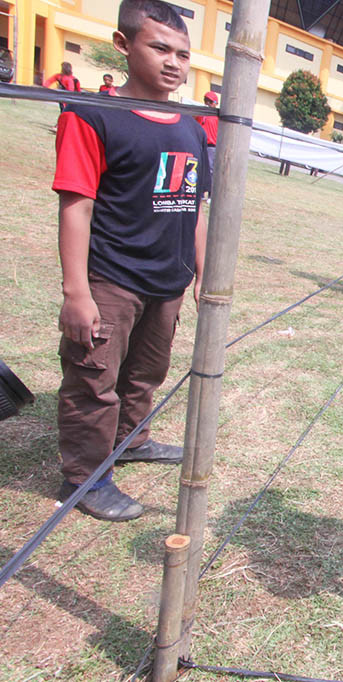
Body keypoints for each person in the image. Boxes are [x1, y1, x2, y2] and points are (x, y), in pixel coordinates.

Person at [52, 0, 209, 522]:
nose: (174, 63)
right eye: (159, 48)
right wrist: (78, 292)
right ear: (123, 46)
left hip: (168, 281)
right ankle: (86, 477)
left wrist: (203, 270)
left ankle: (133, 438)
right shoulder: (91, 116)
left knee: (146, 372)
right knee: (93, 376)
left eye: (183, 54)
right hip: (112, 279)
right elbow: (76, 204)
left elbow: (195, 206)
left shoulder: (191, 127)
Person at [195, 90, 219, 178]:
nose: (208, 103)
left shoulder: (217, 116)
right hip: (199, 145)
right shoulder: (200, 114)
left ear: (216, 103)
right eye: (206, 100)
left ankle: (210, 190)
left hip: (211, 147)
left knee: (209, 170)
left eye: (211, 102)